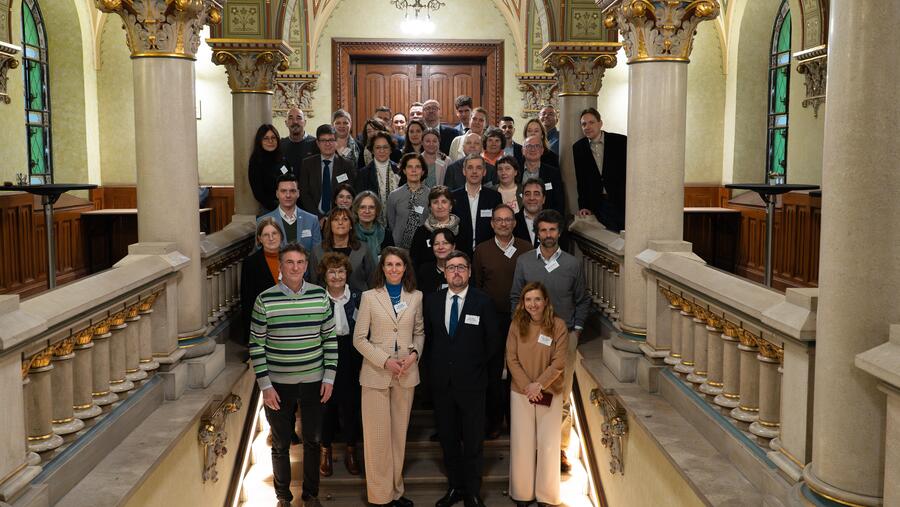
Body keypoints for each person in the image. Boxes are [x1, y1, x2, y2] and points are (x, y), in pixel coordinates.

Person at [250, 243, 337, 507]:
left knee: (313, 441)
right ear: (281, 266)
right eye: (289, 262)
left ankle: (311, 495)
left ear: (306, 266)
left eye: (300, 262)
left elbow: (330, 339)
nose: (295, 267)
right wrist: (265, 386)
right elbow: (257, 345)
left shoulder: (320, 296)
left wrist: (329, 378)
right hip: (278, 385)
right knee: (280, 444)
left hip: (314, 382)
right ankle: (283, 497)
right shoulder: (265, 299)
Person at [510, 210, 590, 473]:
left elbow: (582, 299)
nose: (547, 235)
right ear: (536, 232)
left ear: (560, 232)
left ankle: (559, 449)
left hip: (563, 337)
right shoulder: (524, 262)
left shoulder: (571, 264)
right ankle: (532, 447)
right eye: (543, 230)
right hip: (528, 338)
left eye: (552, 230)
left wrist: (576, 330)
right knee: (531, 390)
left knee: (560, 394)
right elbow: (515, 298)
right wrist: (521, 328)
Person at [424, 251, 500, 507]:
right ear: (445, 273)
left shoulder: (483, 302)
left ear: (469, 272)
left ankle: (473, 491)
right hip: (442, 384)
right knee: (448, 438)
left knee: (473, 440)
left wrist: (475, 366)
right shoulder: (432, 301)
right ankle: (455, 487)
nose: (456, 272)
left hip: (473, 384)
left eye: (461, 268)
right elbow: (429, 341)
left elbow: (492, 344)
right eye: (451, 268)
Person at [353, 247, 424, 507]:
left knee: (398, 438)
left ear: (406, 268)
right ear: (382, 268)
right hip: (375, 374)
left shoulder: (416, 297)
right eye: (389, 265)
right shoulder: (370, 297)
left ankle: (395, 491)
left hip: (406, 374)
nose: (394, 269)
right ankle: (379, 496)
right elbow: (359, 339)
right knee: (377, 438)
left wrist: (414, 354)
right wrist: (384, 361)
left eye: (398, 265)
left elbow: (420, 333)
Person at [472, 204, 532, 439]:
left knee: (520, 369)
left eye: (508, 220)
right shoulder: (482, 250)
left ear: (514, 223)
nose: (504, 223)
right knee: (494, 371)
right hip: (492, 320)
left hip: (522, 318)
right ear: (492, 223)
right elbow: (476, 285)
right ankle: (494, 421)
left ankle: (518, 421)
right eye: (499, 220)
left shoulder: (526, 249)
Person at [506, 282, 567, 507]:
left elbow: (559, 361)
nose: (533, 304)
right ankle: (522, 493)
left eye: (537, 299)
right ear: (523, 303)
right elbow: (511, 358)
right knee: (522, 443)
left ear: (546, 302)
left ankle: (547, 495)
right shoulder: (516, 325)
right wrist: (527, 387)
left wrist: (538, 385)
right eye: (528, 300)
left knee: (549, 444)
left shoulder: (558, 326)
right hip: (521, 392)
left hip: (550, 391)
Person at [317, 252, 363, 477]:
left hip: (351, 355)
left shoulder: (359, 297)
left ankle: (351, 450)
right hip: (324, 355)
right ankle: (325, 451)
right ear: (324, 275)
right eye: (332, 271)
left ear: (347, 274)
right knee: (326, 406)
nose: (337, 276)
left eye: (341, 271)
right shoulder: (317, 298)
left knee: (351, 405)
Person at [573, 107, 627, 232]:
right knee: (608, 239)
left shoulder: (620, 142)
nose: (587, 127)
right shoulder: (578, 148)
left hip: (622, 201)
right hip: (599, 205)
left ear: (600, 123)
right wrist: (584, 206)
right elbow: (581, 180)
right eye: (584, 124)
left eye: (591, 122)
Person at [308, 207, 374, 293]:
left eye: (345, 219)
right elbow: (313, 282)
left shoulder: (363, 249)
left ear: (351, 225)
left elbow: (372, 280)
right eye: (335, 219)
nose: (340, 222)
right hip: (326, 302)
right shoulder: (317, 251)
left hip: (360, 302)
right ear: (330, 224)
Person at [299, 124, 358, 218]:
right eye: (323, 140)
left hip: (339, 217)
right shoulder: (307, 164)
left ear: (336, 142)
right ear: (317, 143)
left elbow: (349, 194)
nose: (327, 144)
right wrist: (318, 218)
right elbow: (304, 194)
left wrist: (333, 217)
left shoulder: (347, 165)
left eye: (331, 140)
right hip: (313, 217)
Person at [451, 155, 502, 256]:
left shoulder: (494, 197)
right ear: (464, 171)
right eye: (470, 168)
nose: (474, 171)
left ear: (484, 172)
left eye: (478, 168)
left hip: (488, 253)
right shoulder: (453, 197)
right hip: (459, 253)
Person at [241, 218, 284, 334]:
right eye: (266, 235)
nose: (271, 238)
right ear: (259, 239)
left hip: (289, 323)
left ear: (280, 235)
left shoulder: (292, 258)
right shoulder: (251, 263)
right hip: (264, 327)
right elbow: (248, 301)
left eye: (274, 233)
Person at [258, 173, 323, 251]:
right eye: (283, 191)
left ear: (298, 193)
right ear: (277, 194)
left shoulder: (312, 220)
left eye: (292, 191)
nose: (288, 195)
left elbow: (317, 254)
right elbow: (259, 255)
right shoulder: (262, 221)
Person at [409, 185, 460, 269]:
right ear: (430, 207)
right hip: (428, 279)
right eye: (435, 202)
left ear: (450, 206)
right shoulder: (421, 232)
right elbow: (414, 262)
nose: (440, 206)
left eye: (444, 202)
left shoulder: (462, 229)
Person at [387, 153, 430, 249]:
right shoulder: (394, 195)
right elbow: (392, 223)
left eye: (417, 167)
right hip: (398, 248)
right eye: (410, 167)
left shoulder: (431, 195)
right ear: (404, 170)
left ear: (423, 171)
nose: (413, 170)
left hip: (423, 247)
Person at [249, 124, 290, 213]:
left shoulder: (282, 158)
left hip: (289, 206)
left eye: (273, 138)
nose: (270, 141)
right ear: (260, 141)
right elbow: (258, 193)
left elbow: (290, 179)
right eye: (266, 138)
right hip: (269, 209)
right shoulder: (256, 161)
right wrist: (279, 206)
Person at [357, 131, 401, 212]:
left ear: (391, 149)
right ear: (372, 150)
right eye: (378, 147)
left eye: (385, 147)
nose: (382, 151)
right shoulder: (363, 174)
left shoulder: (399, 170)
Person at [521, 135, 565, 214]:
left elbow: (559, 203)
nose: (533, 149)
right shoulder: (515, 172)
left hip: (546, 220)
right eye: (529, 146)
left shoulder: (553, 173)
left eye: (537, 146)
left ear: (542, 150)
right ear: (523, 150)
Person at [353, 191, 394, 262]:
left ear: (377, 211)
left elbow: (391, 261)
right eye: (362, 207)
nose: (367, 211)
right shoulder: (350, 233)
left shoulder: (387, 234)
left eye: (371, 207)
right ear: (357, 210)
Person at [414, 228, 456, 295]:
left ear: (453, 247)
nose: (440, 247)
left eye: (445, 243)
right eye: (436, 244)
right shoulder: (424, 270)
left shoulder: (462, 270)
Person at [281, 107, 318, 174]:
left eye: (299, 118)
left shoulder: (315, 144)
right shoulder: (281, 145)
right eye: (291, 118)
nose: (295, 121)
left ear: (305, 122)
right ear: (286, 123)